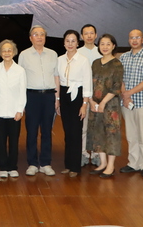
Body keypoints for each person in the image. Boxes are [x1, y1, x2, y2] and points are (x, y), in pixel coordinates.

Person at [18, 25, 59, 177]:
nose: (39, 37)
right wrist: (21, 101)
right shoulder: (24, 55)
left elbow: (56, 77)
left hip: (49, 96)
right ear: (30, 38)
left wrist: (57, 98)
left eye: (42, 34)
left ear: (45, 37)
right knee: (32, 131)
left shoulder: (53, 54)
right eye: (36, 34)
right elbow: (20, 78)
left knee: (47, 131)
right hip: (32, 96)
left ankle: (46, 163)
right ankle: (32, 163)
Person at [119, 29, 143, 178]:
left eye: (137, 37)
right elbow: (120, 79)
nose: (134, 40)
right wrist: (125, 95)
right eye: (131, 38)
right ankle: (133, 163)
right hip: (126, 103)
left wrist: (129, 93)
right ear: (128, 40)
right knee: (131, 135)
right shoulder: (123, 57)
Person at [87, 34, 124, 178]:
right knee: (98, 132)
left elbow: (116, 87)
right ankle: (102, 163)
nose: (105, 47)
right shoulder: (95, 63)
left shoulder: (117, 64)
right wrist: (91, 101)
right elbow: (90, 83)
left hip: (110, 104)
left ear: (113, 46)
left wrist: (103, 102)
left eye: (108, 44)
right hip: (95, 103)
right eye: (102, 44)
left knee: (111, 133)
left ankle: (111, 165)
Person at [56, 30, 92, 178]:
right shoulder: (59, 59)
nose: (70, 44)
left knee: (76, 132)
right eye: (67, 41)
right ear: (64, 43)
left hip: (78, 95)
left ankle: (75, 167)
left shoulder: (83, 60)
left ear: (78, 43)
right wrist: (58, 100)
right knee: (67, 131)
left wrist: (84, 104)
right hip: (64, 95)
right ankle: (68, 165)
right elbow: (57, 80)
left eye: (73, 41)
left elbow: (87, 83)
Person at [0, 40, 27, 179]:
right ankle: (3, 167)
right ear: (0, 53)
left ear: (14, 52)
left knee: (13, 141)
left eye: (9, 50)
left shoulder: (20, 70)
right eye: (4, 50)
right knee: (0, 141)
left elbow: (22, 91)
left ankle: (12, 166)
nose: (7, 53)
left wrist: (20, 110)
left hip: (14, 111)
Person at [78, 24, 102, 167]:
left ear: (96, 35)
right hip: (84, 97)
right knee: (83, 127)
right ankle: (83, 154)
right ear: (82, 36)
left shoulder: (101, 51)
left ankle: (96, 154)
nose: (89, 36)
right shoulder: (78, 53)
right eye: (86, 33)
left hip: (100, 96)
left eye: (91, 33)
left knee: (97, 127)